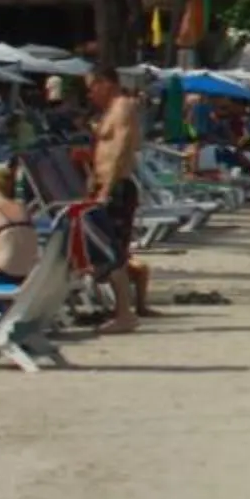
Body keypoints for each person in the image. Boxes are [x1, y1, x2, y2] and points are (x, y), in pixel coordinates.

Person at [83, 71, 146, 333]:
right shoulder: (114, 109)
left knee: (110, 249)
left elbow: (120, 148)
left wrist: (107, 188)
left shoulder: (122, 107)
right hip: (107, 185)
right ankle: (123, 309)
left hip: (116, 186)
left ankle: (124, 313)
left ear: (105, 83)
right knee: (108, 247)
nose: (90, 94)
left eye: (92, 87)